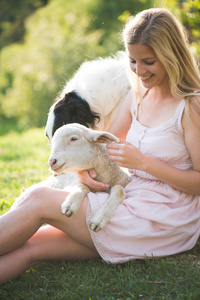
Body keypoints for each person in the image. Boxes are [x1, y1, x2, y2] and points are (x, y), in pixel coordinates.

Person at [0, 7, 200, 284]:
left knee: (38, 201)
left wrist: (143, 163)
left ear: (171, 56)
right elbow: (101, 147)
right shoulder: (138, 94)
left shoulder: (191, 106)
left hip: (164, 217)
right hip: (127, 198)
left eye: (149, 62)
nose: (139, 71)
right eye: (132, 60)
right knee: (31, 247)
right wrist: (83, 172)